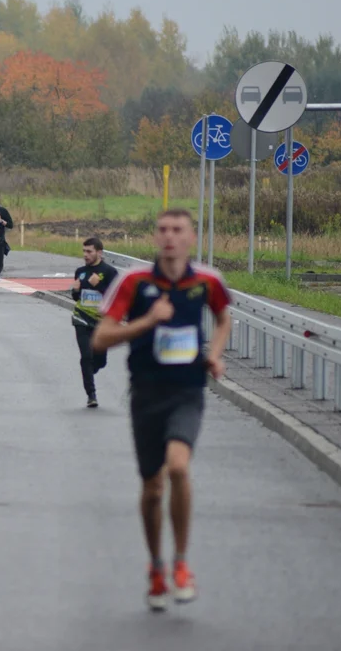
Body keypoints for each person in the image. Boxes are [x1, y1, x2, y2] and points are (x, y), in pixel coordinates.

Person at [91, 208, 231, 611]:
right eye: (163, 230)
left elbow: (223, 318)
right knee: (152, 488)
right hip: (146, 393)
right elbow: (101, 338)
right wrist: (148, 321)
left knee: (179, 467)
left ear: (191, 238)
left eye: (178, 230)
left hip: (187, 391)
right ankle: (156, 566)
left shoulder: (207, 281)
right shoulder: (134, 282)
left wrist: (215, 354)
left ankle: (181, 564)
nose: (170, 236)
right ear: (156, 238)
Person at [71, 237, 120, 408]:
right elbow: (76, 297)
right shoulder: (80, 271)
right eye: (84, 251)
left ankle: (89, 372)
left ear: (99, 252)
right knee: (86, 356)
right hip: (81, 318)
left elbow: (115, 298)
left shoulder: (109, 272)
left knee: (100, 361)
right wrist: (75, 290)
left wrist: (99, 285)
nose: (85, 255)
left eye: (89, 251)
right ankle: (91, 395)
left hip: (101, 323)